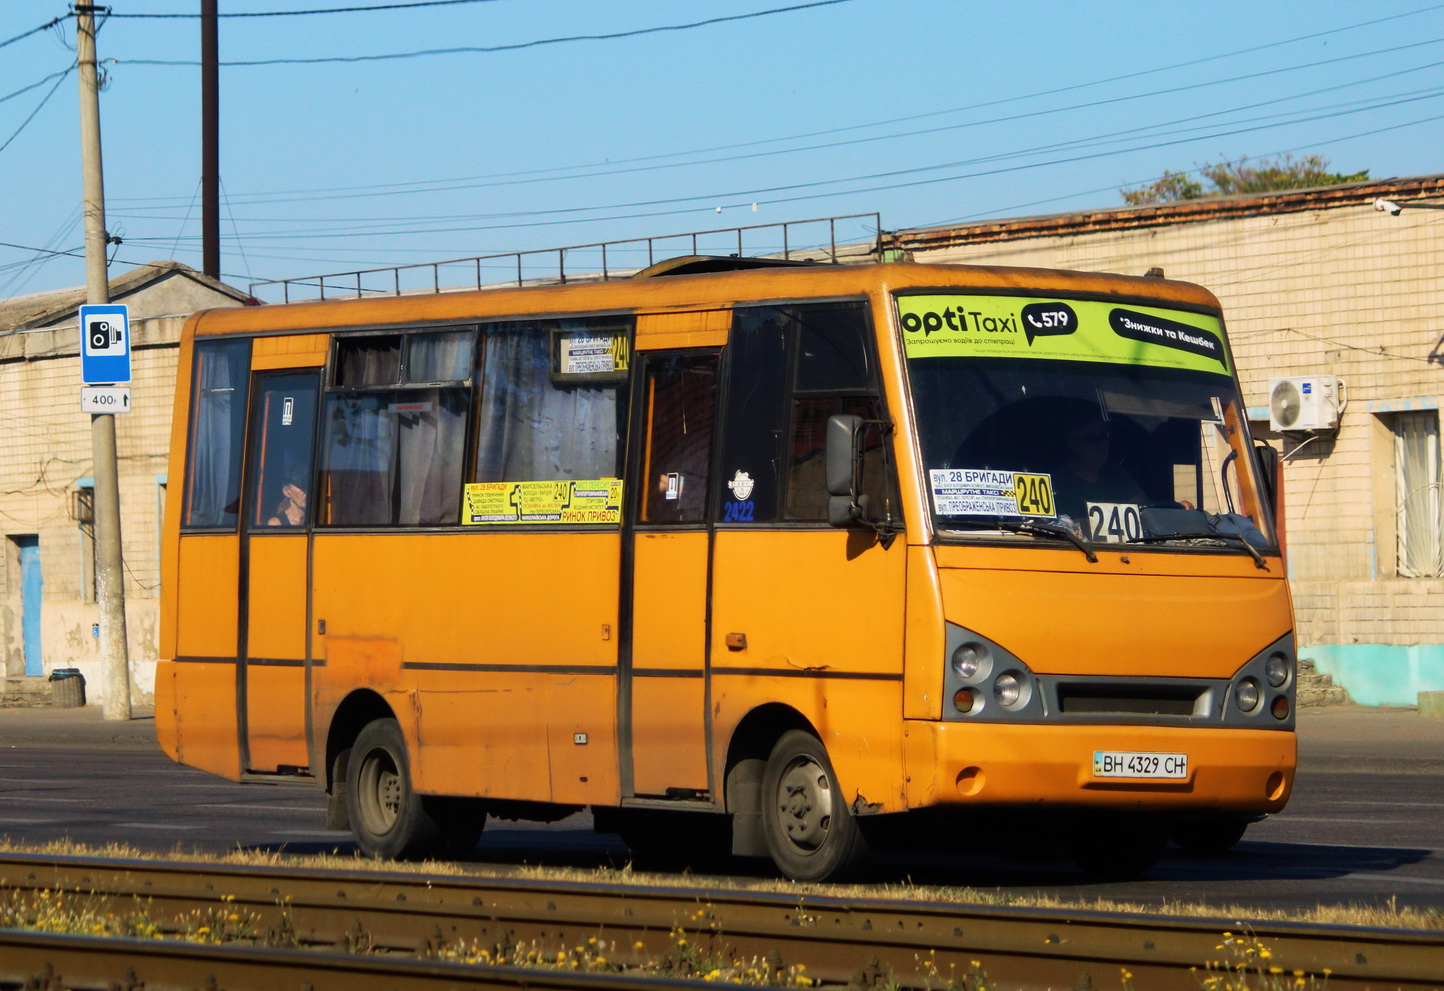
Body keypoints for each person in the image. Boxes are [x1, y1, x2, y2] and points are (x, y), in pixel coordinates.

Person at [1049, 416, 1147, 524]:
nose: (1101, 445)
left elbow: (1145, 511)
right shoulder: (1057, 484)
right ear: (1073, 444)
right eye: (1092, 439)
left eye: (1104, 436)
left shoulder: (1116, 473)